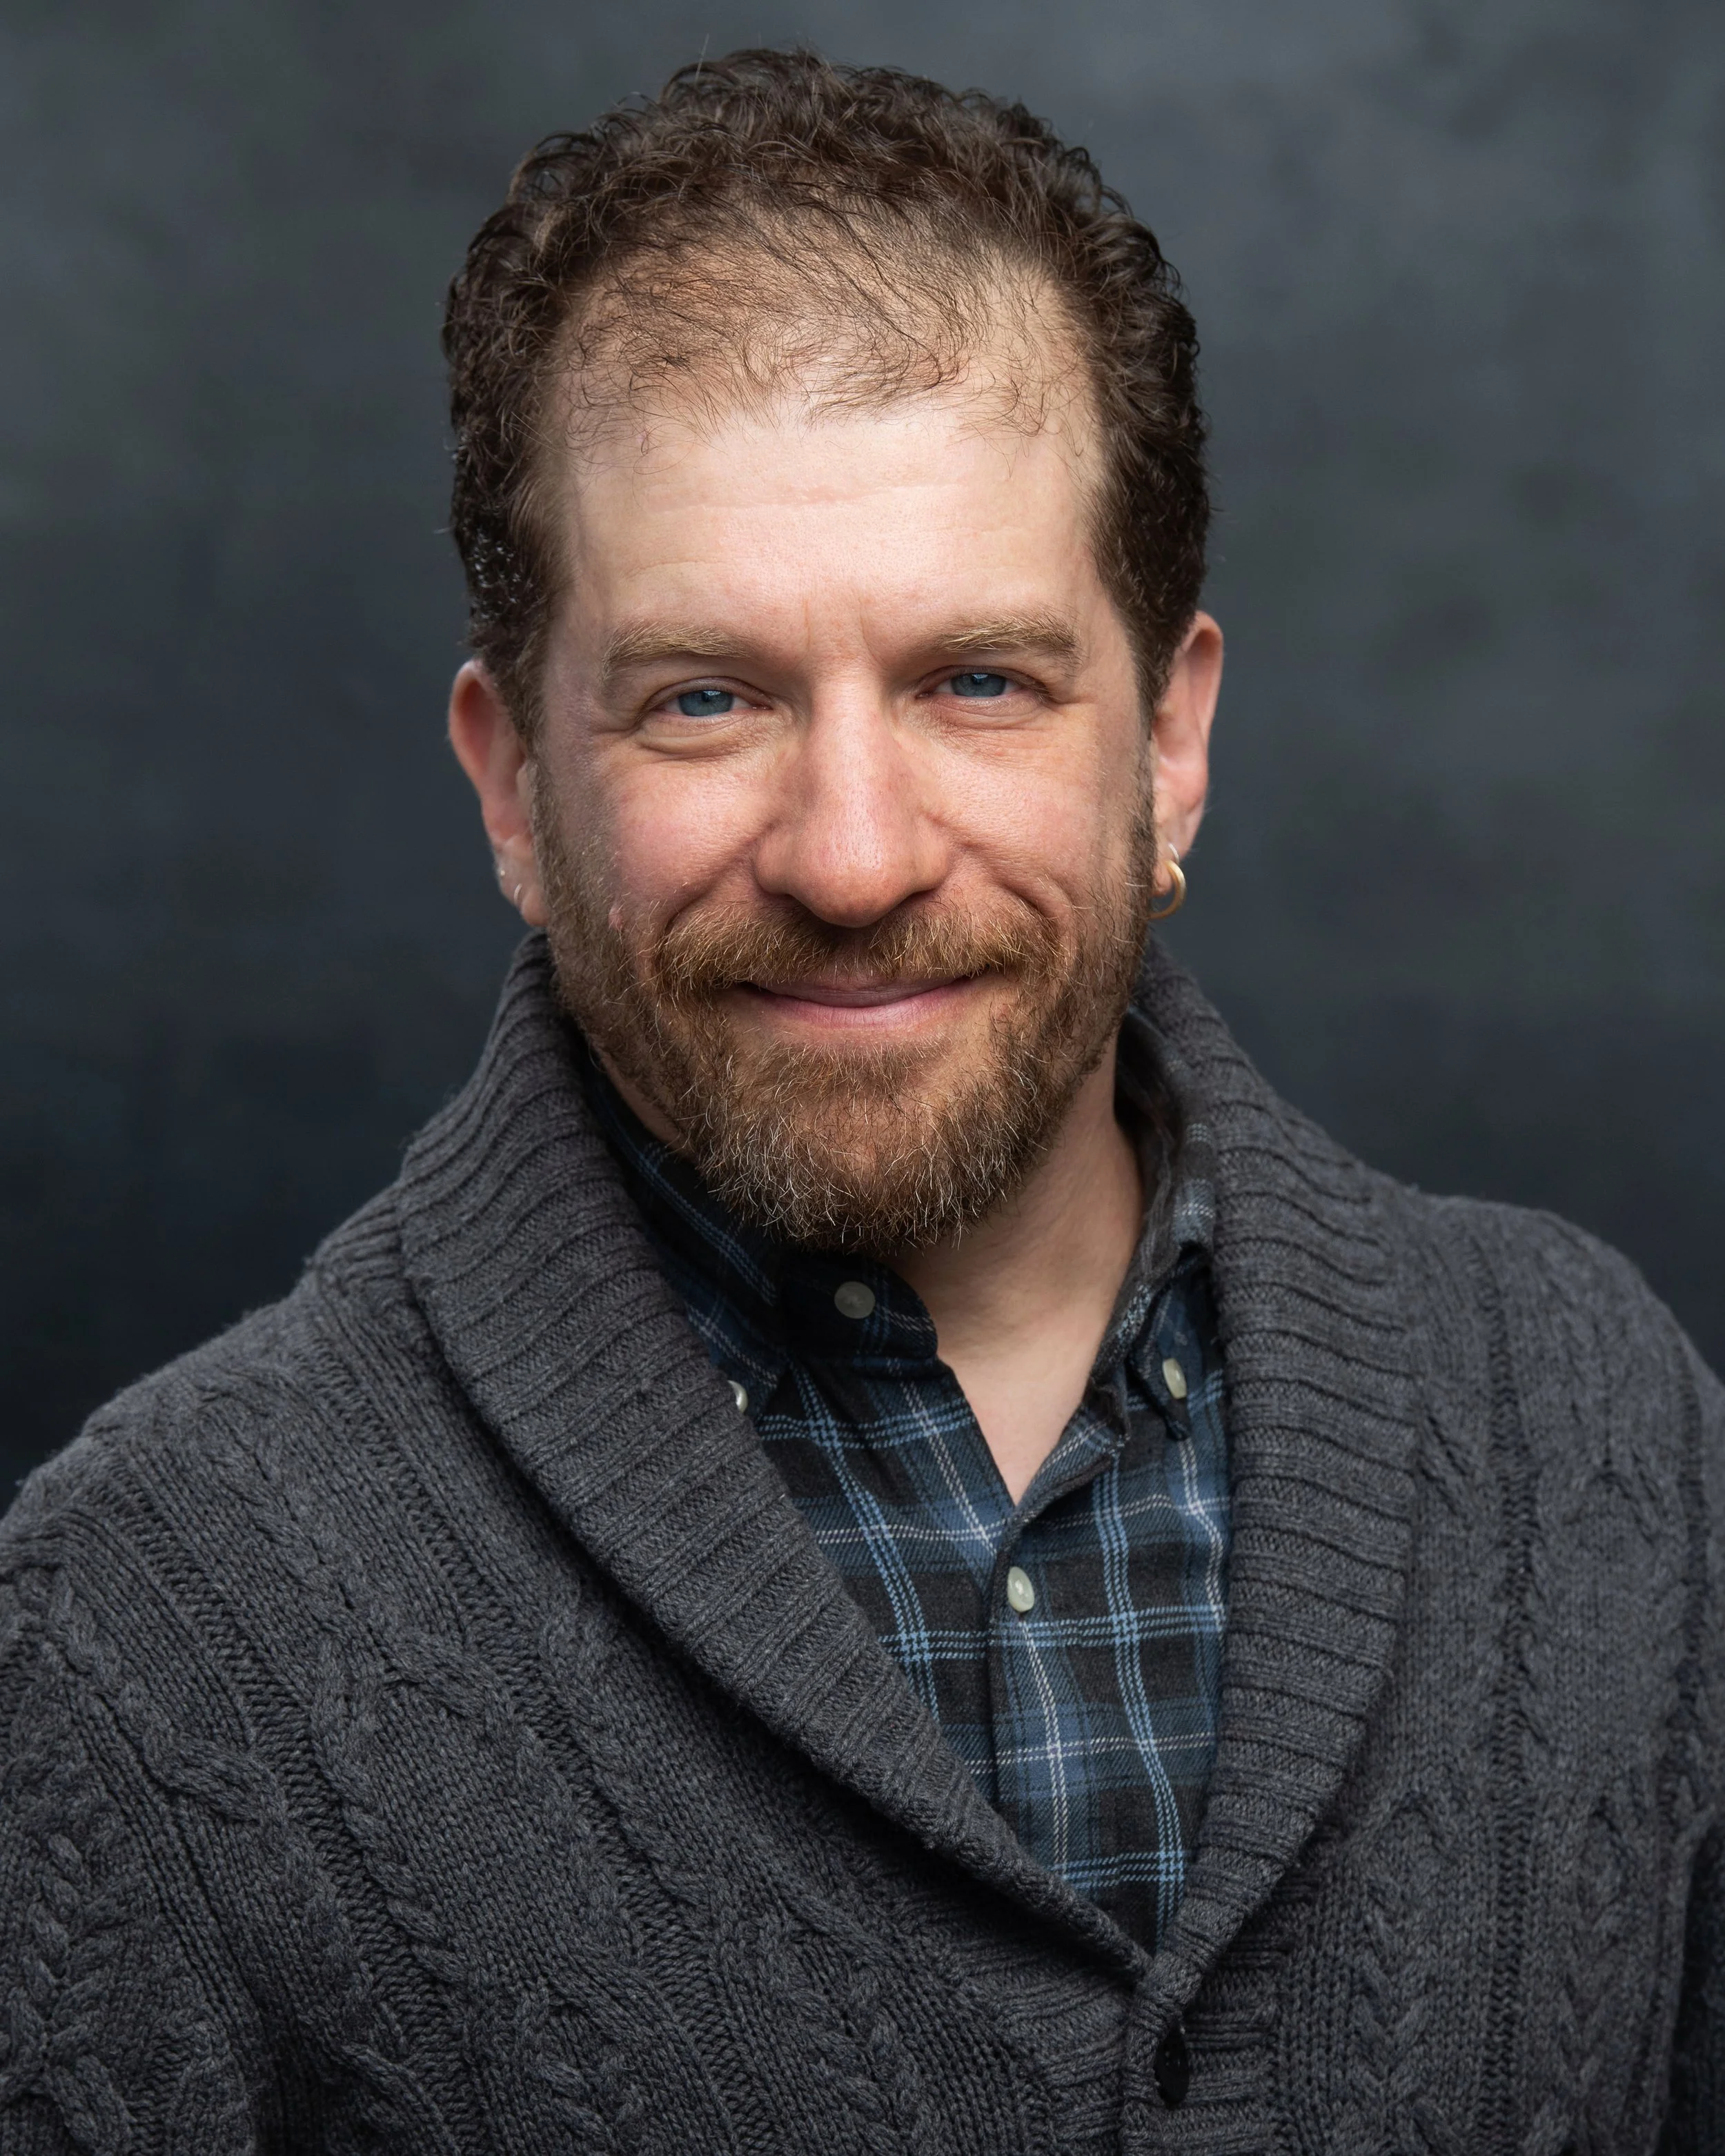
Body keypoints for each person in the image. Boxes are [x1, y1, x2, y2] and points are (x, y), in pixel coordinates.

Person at [1, 48, 1719, 2154]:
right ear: (510, 783)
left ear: (1166, 743)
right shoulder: (145, 1629)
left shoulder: (1602, 1428)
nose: (849, 853)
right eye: (703, 697)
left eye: (975, 681)